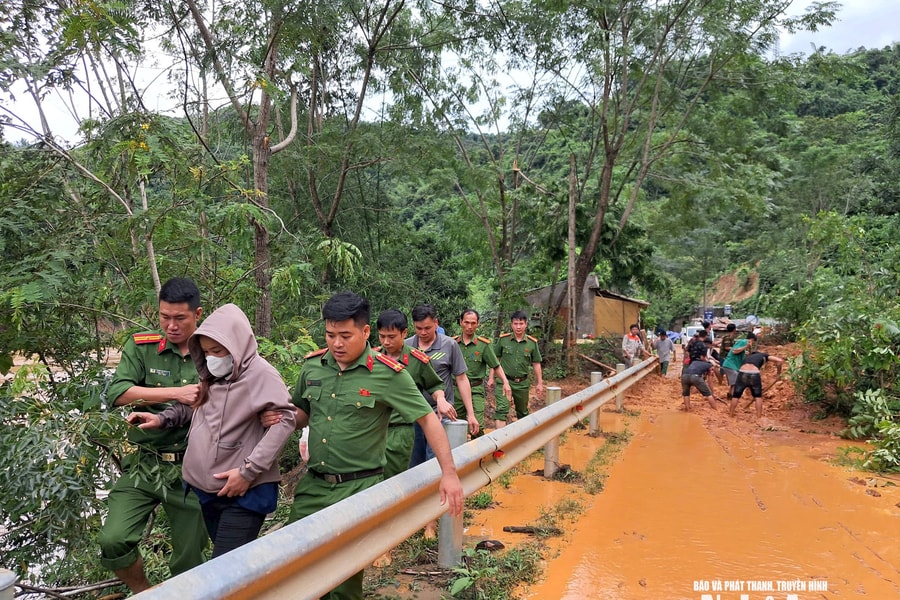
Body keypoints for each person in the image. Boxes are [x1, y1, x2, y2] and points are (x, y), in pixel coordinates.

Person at [273, 292, 464, 600]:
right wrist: (278, 416)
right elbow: (302, 414)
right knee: (294, 571)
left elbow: (428, 420)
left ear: (364, 332)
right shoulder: (313, 368)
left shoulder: (387, 374)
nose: (337, 343)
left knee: (344, 582)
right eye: (330, 335)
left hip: (358, 490)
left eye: (345, 336)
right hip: (313, 487)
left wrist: (449, 474)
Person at [126, 303, 296, 558]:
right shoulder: (212, 374)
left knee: (226, 567)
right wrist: (161, 419)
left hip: (243, 492)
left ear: (237, 345)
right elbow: (196, 406)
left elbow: (285, 421)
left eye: (217, 351)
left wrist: (247, 472)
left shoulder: (260, 374)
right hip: (208, 492)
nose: (211, 358)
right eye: (206, 352)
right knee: (234, 565)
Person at [98, 277, 209, 593]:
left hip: (192, 469)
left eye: (180, 318)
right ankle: (145, 593)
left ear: (197, 314)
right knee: (113, 539)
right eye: (164, 317)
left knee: (190, 561)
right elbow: (118, 393)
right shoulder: (143, 346)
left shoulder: (212, 350)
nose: (171, 326)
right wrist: (176, 393)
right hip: (144, 464)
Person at [407, 303, 479, 470]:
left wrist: (471, 414)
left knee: (435, 462)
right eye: (418, 328)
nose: (423, 332)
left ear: (436, 323)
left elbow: (461, 378)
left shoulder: (449, 345)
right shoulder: (407, 346)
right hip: (413, 414)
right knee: (413, 464)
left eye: (427, 328)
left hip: (440, 414)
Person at [454, 309, 512, 434]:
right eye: (466, 322)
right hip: (455, 391)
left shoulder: (483, 345)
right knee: (455, 426)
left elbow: (495, 365)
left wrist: (505, 382)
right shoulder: (452, 343)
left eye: (473, 323)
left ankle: (477, 446)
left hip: (475, 390)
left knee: (477, 426)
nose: (469, 326)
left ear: (478, 324)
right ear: (461, 322)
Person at [494, 310, 544, 428]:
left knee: (522, 412)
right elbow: (495, 360)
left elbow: (536, 363)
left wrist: (540, 383)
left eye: (521, 324)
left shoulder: (532, 343)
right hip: (504, 381)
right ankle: (500, 439)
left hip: (522, 383)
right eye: (515, 324)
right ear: (511, 325)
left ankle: (523, 437)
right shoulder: (503, 340)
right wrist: (491, 378)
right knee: (501, 410)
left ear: (526, 324)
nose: (518, 327)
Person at [730, 350, 785, 419]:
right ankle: (759, 417)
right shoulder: (764, 355)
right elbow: (779, 360)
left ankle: (730, 414)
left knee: (736, 395)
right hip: (754, 374)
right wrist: (778, 373)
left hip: (742, 373)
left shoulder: (747, 357)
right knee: (758, 396)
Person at [720, 332, 757, 405]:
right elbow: (734, 351)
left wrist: (746, 351)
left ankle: (730, 396)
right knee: (736, 382)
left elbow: (738, 351)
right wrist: (746, 346)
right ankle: (733, 398)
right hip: (730, 365)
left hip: (731, 365)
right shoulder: (744, 342)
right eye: (753, 342)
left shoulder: (742, 343)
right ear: (751, 340)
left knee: (734, 383)